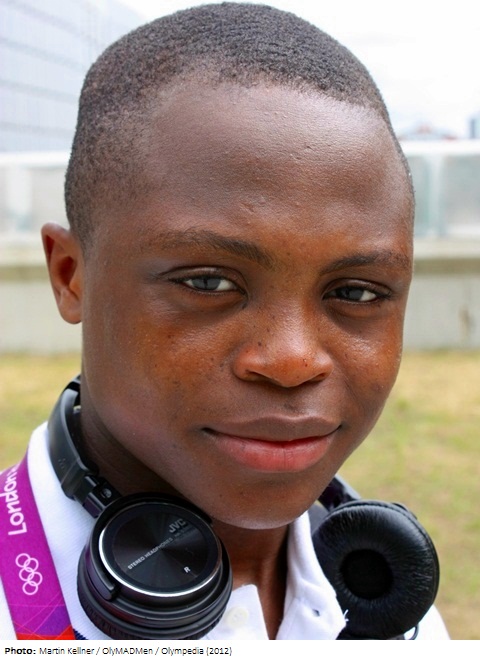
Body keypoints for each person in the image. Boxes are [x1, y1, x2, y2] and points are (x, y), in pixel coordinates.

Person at [0, 2, 449, 641]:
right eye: (207, 283)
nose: (292, 361)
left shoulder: (397, 616)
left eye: (355, 291)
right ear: (71, 275)